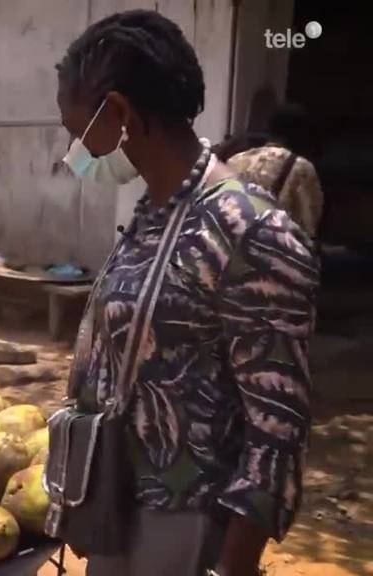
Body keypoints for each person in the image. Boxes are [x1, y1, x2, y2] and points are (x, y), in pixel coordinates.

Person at [55, 10, 318, 576]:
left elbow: (277, 429)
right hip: (120, 513)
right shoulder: (154, 215)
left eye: (77, 133)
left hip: (187, 527)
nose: (72, 152)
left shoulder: (250, 234)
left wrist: (233, 565)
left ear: (121, 114)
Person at [227, 103, 324, 239]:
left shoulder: (235, 160)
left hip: (232, 248)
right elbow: (309, 226)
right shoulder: (301, 167)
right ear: (301, 132)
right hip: (274, 251)